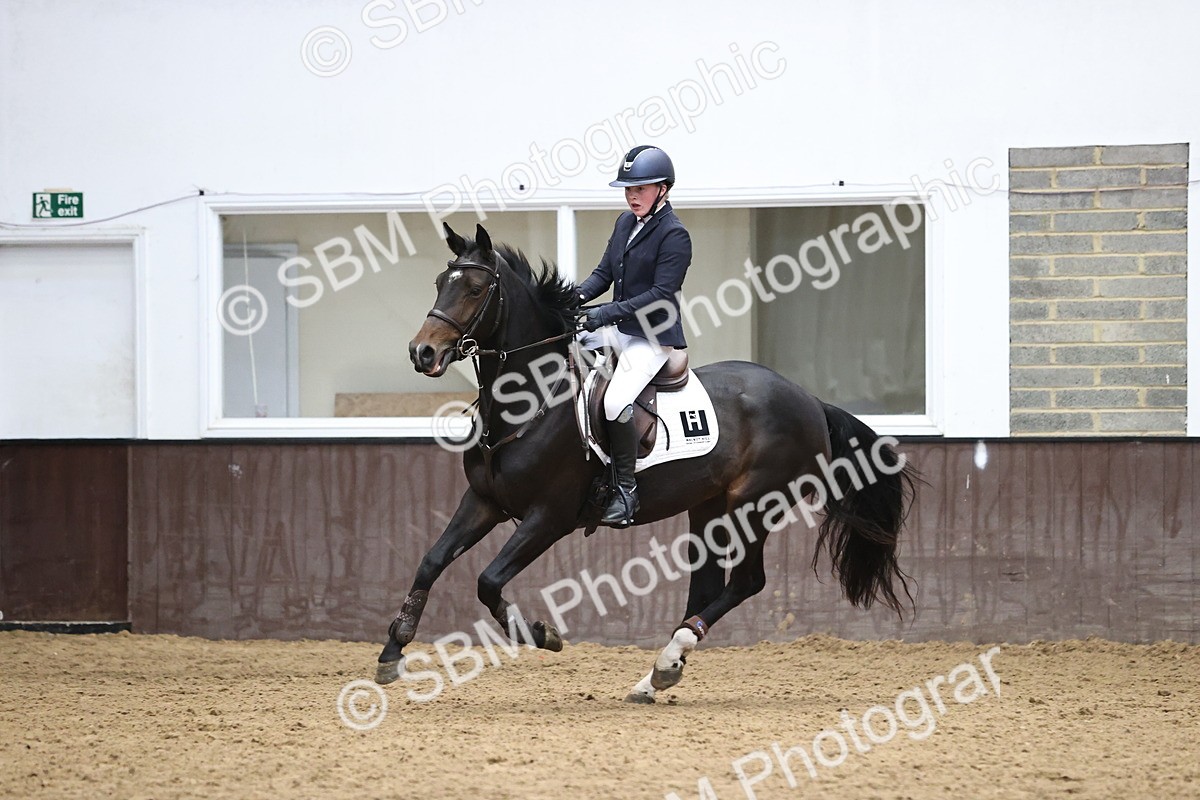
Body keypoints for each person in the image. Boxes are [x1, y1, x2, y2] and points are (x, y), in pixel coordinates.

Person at [576, 145, 692, 527]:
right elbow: (603, 275)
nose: (632, 196)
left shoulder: (675, 235)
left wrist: (603, 314)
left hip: (652, 337)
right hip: (619, 328)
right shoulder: (624, 223)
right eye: (628, 189)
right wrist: (571, 300)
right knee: (564, 346)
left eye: (640, 189)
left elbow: (660, 294)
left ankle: (625, 491)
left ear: (663, 189)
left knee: (614, 402)